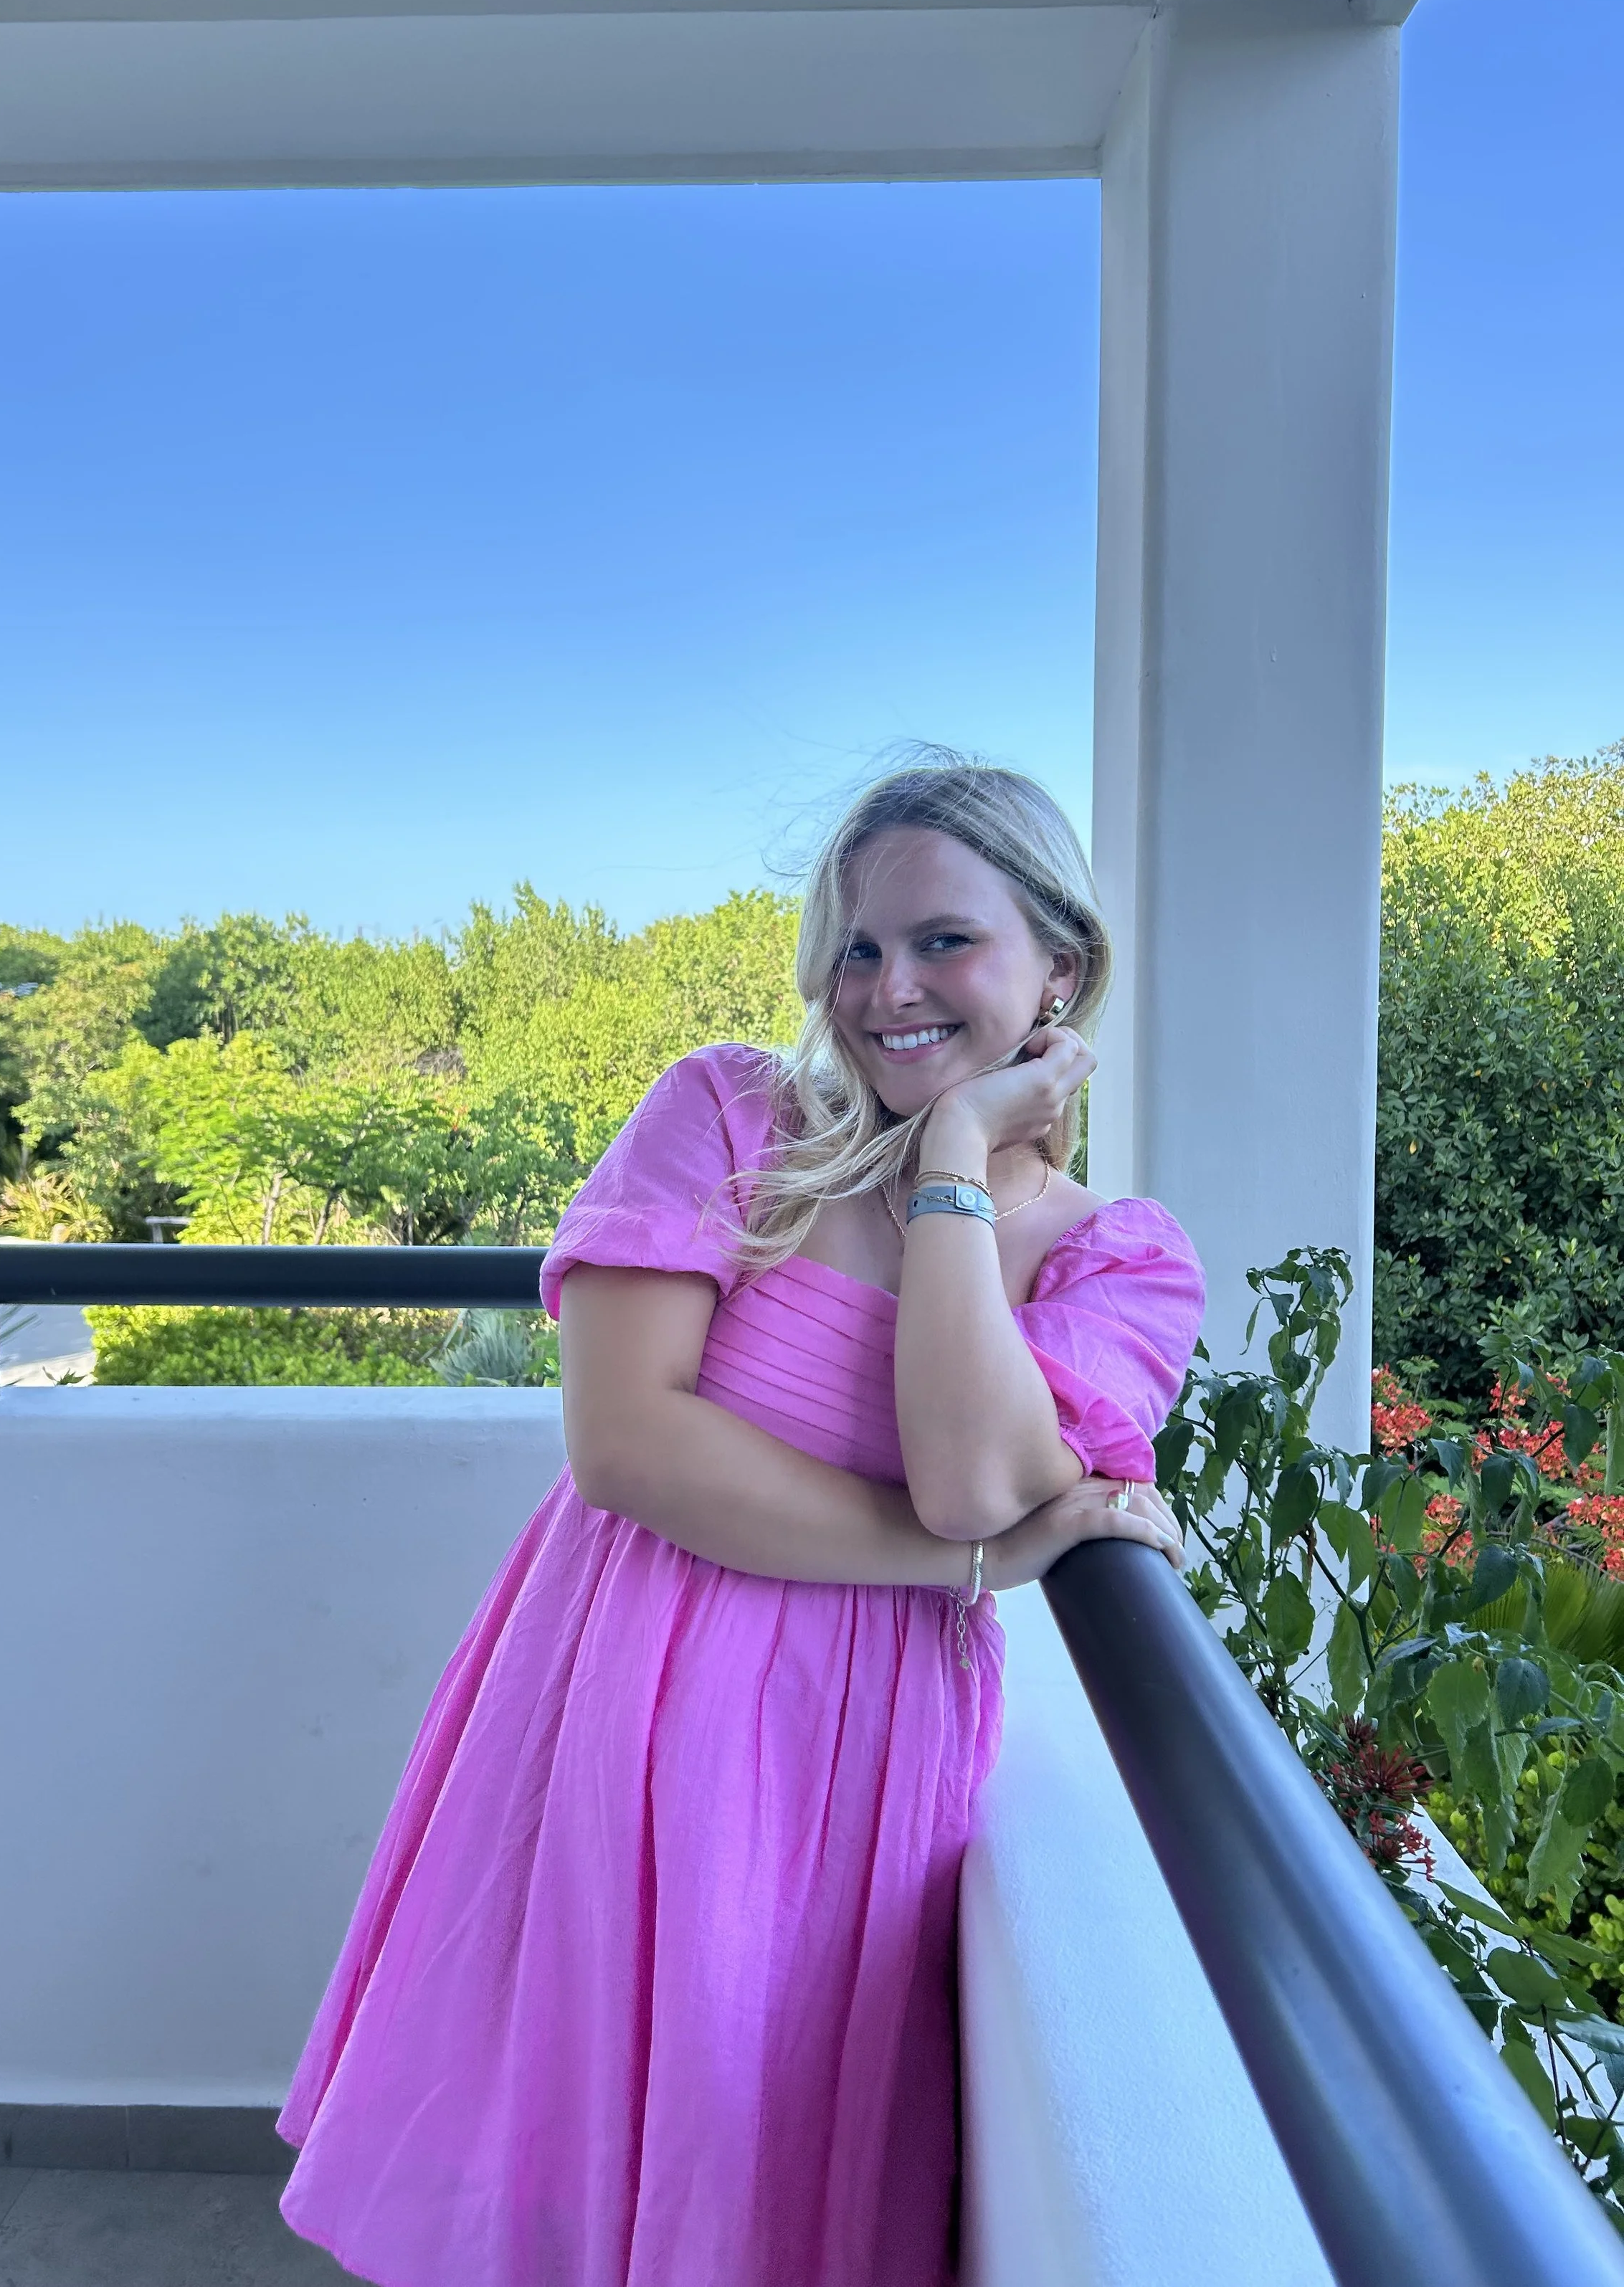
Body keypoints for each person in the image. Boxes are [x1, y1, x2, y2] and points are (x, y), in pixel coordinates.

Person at [277, 759, 1205, 2287]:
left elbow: (973, 1470)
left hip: (849, 1743)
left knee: (753, 2141)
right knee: (567, 2135)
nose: (885, 986)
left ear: (1062, 965)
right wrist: (965, 1564)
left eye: (939, 942)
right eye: (853, 946)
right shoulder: (727, 1112)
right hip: (614, 1694)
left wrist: (955, 1164)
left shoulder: (1123, 1258)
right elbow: (627, 1444)